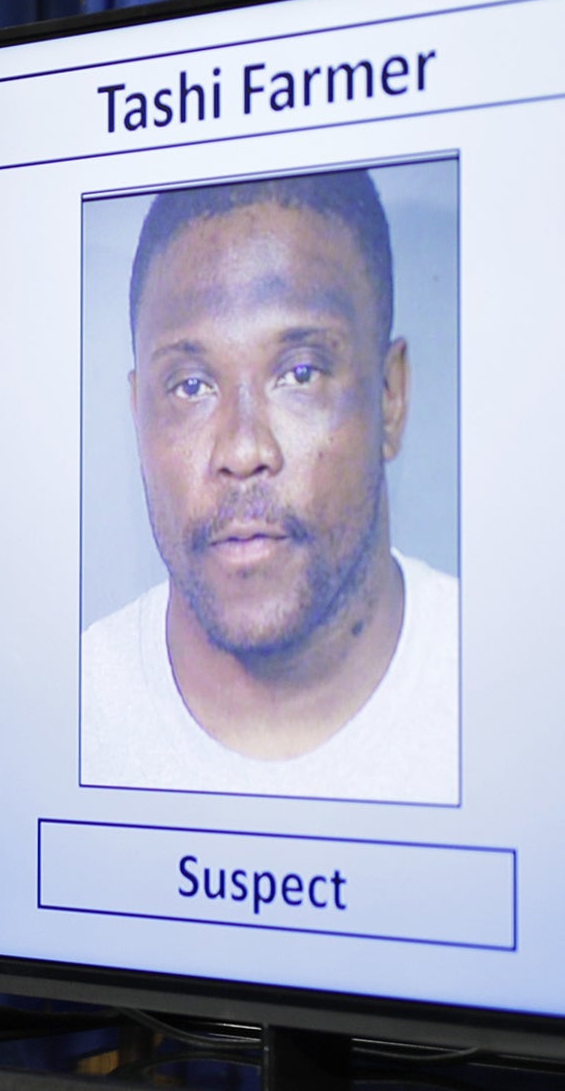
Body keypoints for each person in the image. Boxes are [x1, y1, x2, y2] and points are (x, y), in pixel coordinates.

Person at [80, 167, 455, 802]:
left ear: (390, 398)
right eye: (191, 386)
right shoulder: (65, 709)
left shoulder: (517, 694)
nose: (243, 450)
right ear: (138, 414)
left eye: (300, 373)